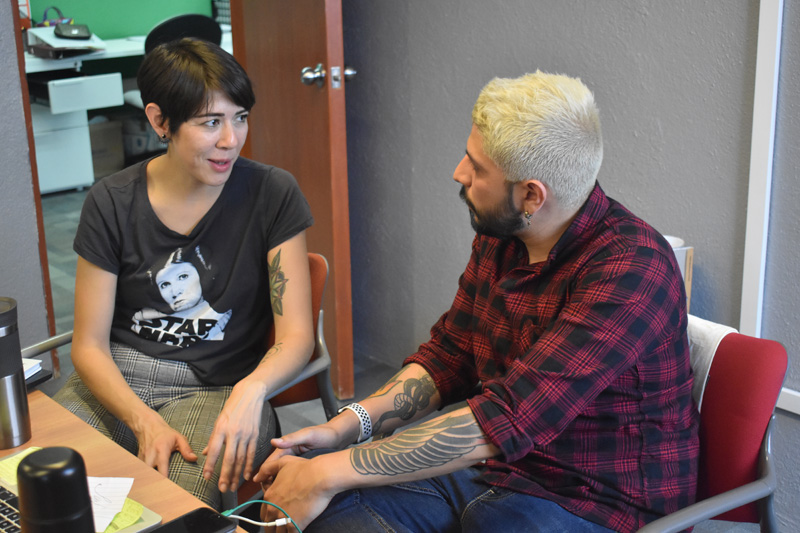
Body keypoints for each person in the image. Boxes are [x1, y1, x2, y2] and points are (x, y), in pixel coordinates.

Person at [254, 72, 699, 533]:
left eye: (476, 166)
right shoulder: (505, 235)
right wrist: (344, 429)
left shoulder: (631, 268)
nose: (459, 173)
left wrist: (328, 471)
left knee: (329, 484)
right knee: (327, 517)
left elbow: (506, 417)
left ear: (531, 195)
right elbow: (450, 353)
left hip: (595, 500)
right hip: (495, 470)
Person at [53, 37, 315, 509]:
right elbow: (88, 345)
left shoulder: (272, 193)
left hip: (216, 388)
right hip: (118, 378)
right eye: (210, 122)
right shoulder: (112, 201)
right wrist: (142, 420)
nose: (230, 140)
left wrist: (250, 391)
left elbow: (296, 336)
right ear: (159, 121)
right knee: (48, 489)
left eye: (240, 118)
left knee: (171, 510)